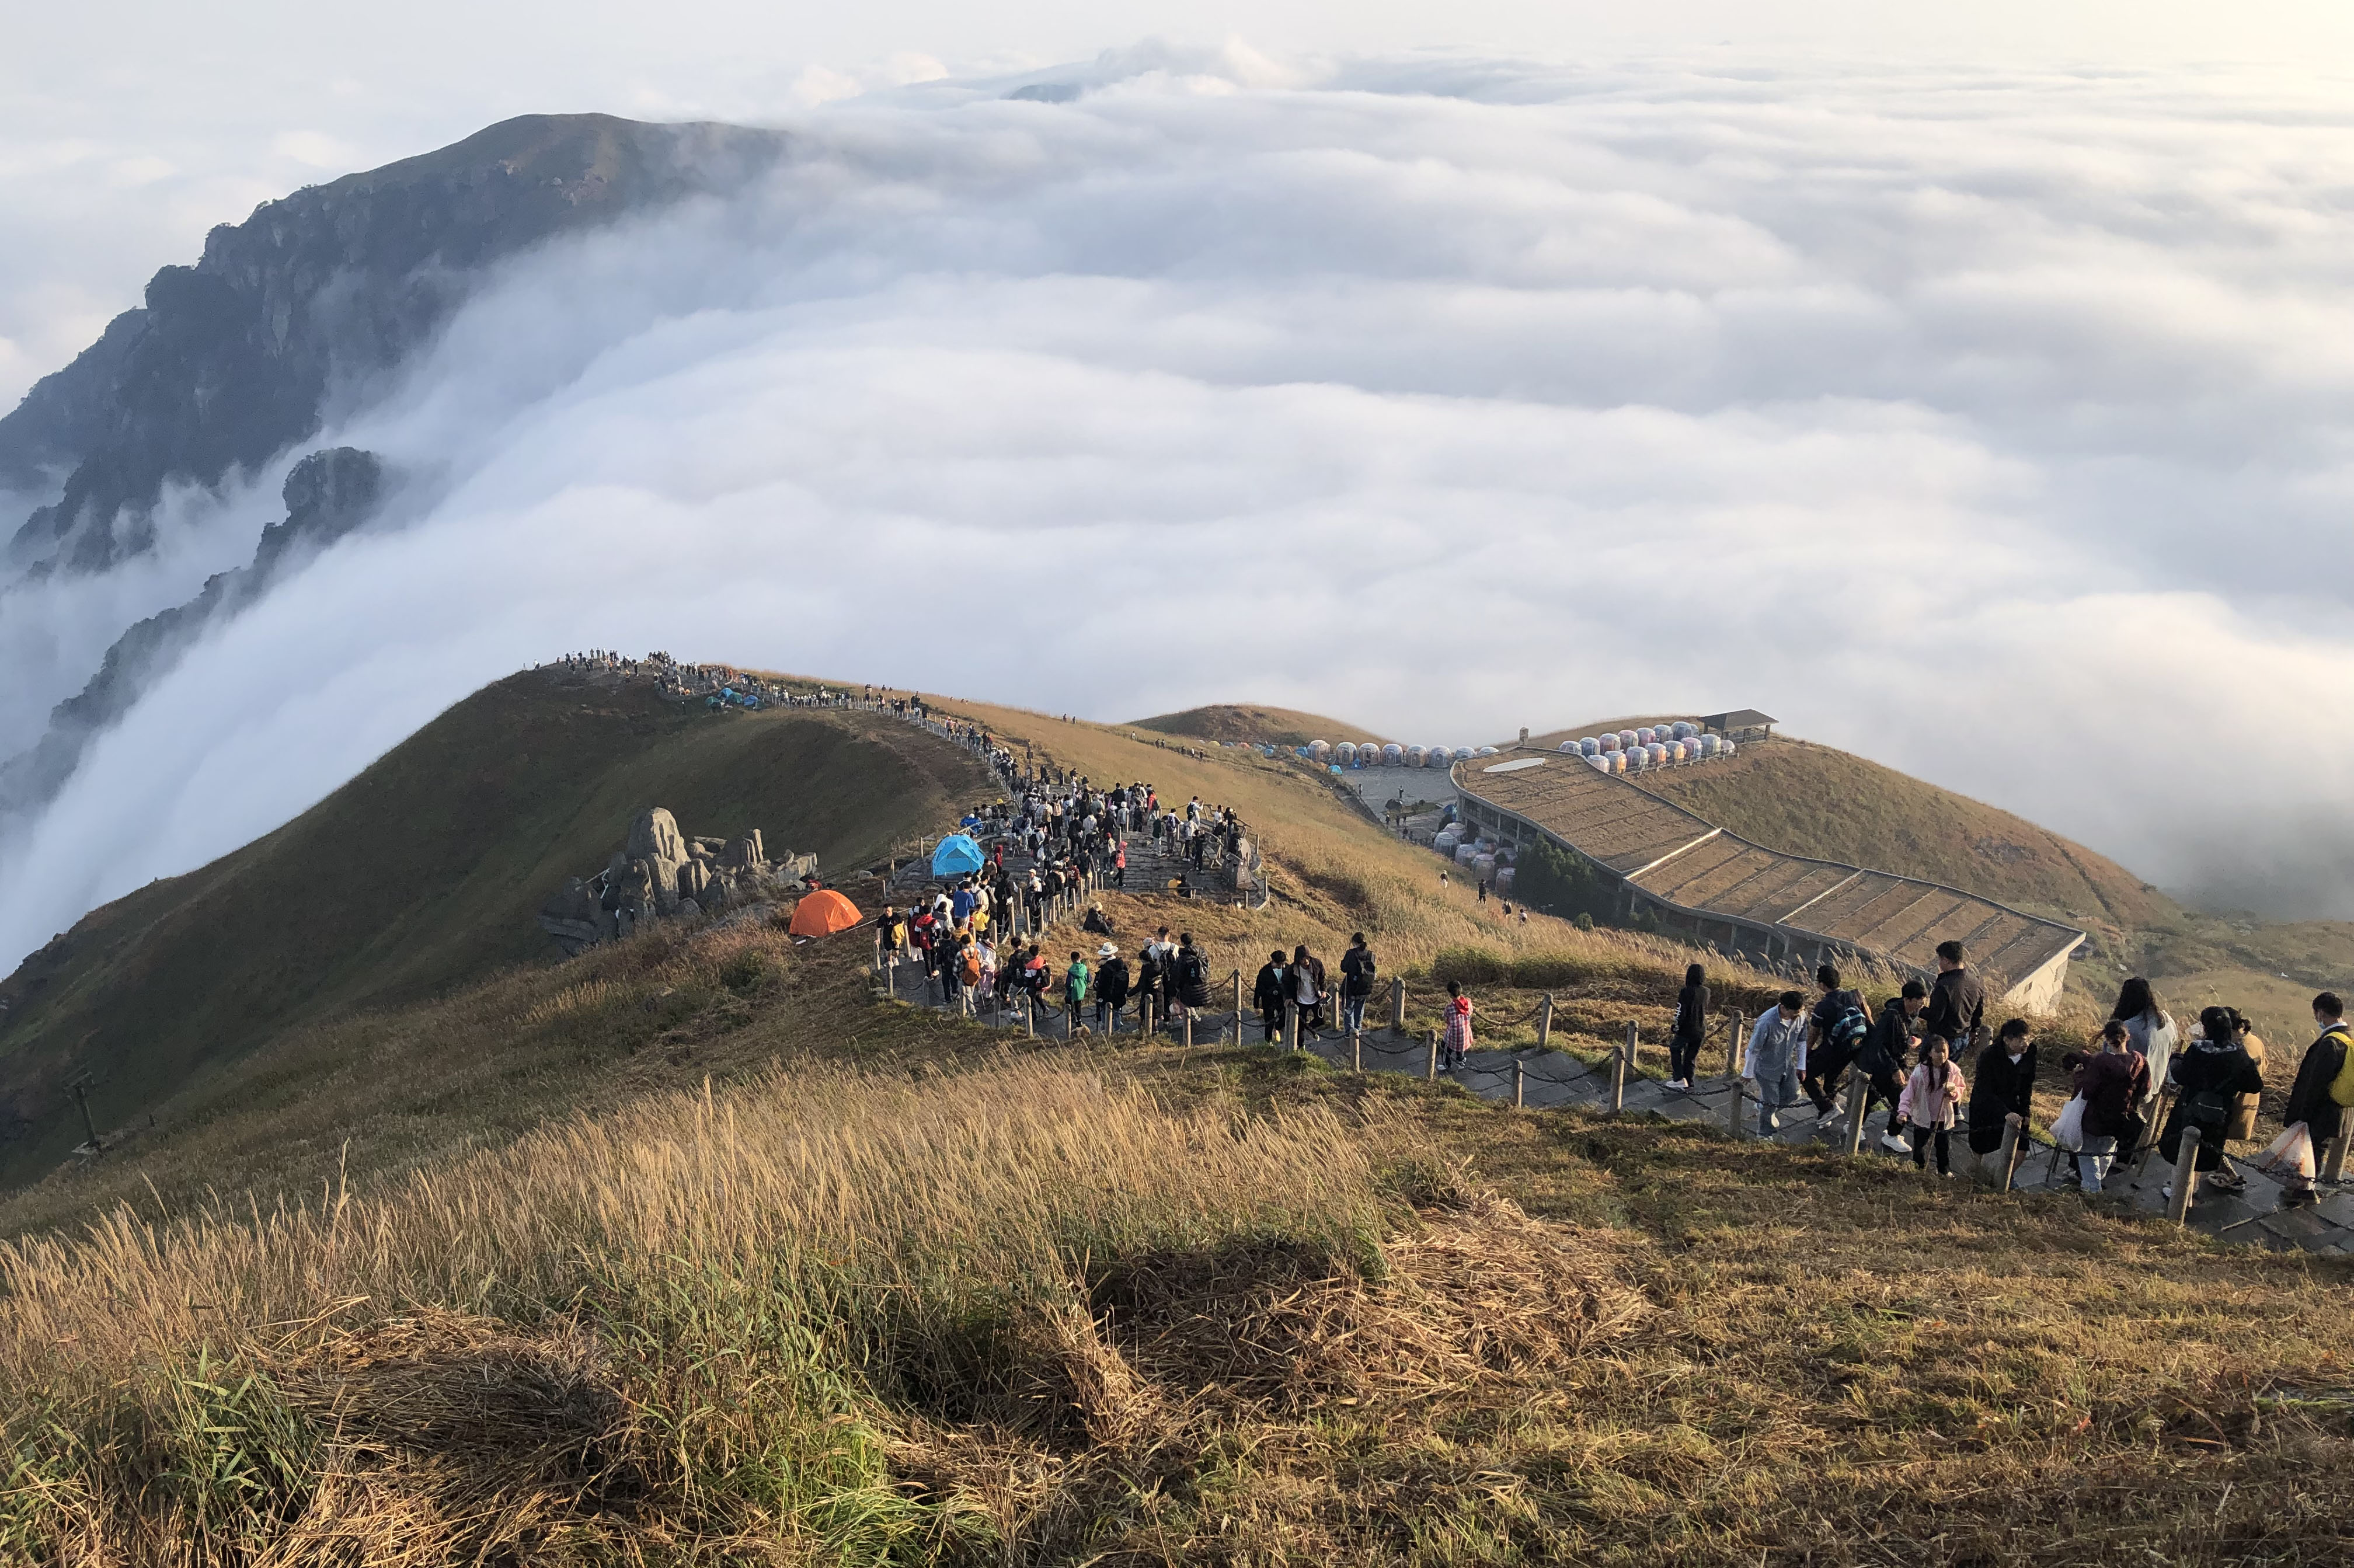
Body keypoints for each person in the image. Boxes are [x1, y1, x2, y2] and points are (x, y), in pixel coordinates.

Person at [2157, 1005, 2265, 1207]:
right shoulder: (2239, 1054)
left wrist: (2176, 1061)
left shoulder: (2198, 1050)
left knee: (2184, 1150)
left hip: (2190, 1108)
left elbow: (2182, 1076)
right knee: (2203, 1154)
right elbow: (2255, 1084)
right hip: (2219, 1113)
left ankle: (2180, 1197)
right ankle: (2189, 1193)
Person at [2276, 992, 2353, 1208]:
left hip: (2321, 1110)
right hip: (2338, 1109)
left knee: (2313, 1150)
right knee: (2317, 1149)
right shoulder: (2348, 1037)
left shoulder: (2330, 1043)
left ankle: (2306, 1191)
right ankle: (2305, 1188)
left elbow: (2315, 1084)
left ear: (2320, 1012)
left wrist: (2303, 1115)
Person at [2072, 1020, 2150, 1194]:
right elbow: (2145, 1088)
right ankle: (2097, 1182)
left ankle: (2092, 1189)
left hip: (2096, 1116)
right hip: (2122, 1116)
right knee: (2107, 1151)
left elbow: (2087, 1090)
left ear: (2106, 1039)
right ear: (2127, 1038)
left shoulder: (2101, 1061)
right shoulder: (2139, 1061)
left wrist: (2078, 1076)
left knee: (2087, 1152)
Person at [1860, 980, 1928, 1153]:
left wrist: (1914, 1040)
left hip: (1893, 1066)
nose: (1923, 1005)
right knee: (1901, 1102)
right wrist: (1894, 1069)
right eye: (1920, 1000)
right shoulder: (1892, 1016)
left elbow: (1905, 1035)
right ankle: (1890, 1135)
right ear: (1908, 999)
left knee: (1871, 1100)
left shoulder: (1908, 1014)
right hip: (1886, 1068)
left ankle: (1856, 1125)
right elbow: (1878, 1045)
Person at [1966, 1019, 2036, 1180]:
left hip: (2015, 1104)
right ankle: (1978, 1179)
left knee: (2021, 1148)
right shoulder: (1990, 1056)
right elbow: (1984, 1089)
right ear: (2007, 1040)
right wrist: (2005, 1113)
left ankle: (2004, 1179)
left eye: (2027, 1039)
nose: (2025, 1045)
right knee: (1982, 1147)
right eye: (2020, 1041)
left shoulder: (2030, 1053)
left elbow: (2028, 1085)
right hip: (1987, 1104)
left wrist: (2025, 1110)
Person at [1803, 964, 1869, 1116]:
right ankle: (1827, 1115)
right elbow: (1868, 1018)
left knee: (1806, 1073)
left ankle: (1828, 1109)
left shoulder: (1823, 1006)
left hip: (1831, 1049)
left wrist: (1806, 1052)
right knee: (1832, 1080)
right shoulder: (1855, 995)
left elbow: (1814, 1033)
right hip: (1851, 1048)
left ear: (1822, 985)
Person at [2112, 977, 2178, 1124]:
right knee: (2146, 1131)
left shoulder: (2128, 1027)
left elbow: (2114, 1059)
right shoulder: (2168, 1022)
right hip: (2157, 1083)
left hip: (2131, 1090)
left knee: (2125, 1130)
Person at [1901, 1034, 1967, 1176]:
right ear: (1930, 1053)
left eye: (1945, 1051)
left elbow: (1960, 1088)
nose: (1942, 1055)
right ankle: (1919, 1168)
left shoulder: (1953, 1070)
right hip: (1924, 1114)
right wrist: (1903, 1111)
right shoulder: (1920, 1071)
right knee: (1920, 1145)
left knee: (1943, 1146)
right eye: (1938, 1051)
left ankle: (1944, 1170)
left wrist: (1953, 1094)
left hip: (1943, 1116)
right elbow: (1909, 1092)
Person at [1745, 991, 1810, 1134]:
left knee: (1794, 1094)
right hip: (1766, 1067)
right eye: (1794, 1013)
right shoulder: (1767, 1022)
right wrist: (1747, 1073)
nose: (1797, 1016)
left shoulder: (1801, 1016)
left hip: (1786, 1064)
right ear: (1784, 1008)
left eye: (1800, 1012)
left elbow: (1801, 1041)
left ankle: (1766, 1110)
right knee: (1771, 1102)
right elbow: (1753, 1049)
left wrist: (1801, 1066)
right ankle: (1764, 1133)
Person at [1924, 940, 1986, 1059]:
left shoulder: (1945, 986)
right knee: (1950, 1073)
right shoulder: (1976, 982)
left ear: (1946, 960)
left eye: (1940, 960)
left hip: (1941, 1041)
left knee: (1928, 1073)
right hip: (1963, 1038)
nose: (1939, 964)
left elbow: (1936, 1016)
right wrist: (1974, 1030)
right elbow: (1978, 1012)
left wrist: (1920, 1010)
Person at [1668, 964, 1709, 1090]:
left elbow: (1681, 1011)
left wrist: (1676, 1026)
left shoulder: (1685, 991)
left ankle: (1679, 1079)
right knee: (1690, 1057)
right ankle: (1689, 1082)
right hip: (1701, 1029)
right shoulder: (1707, 991)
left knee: (1675, 1048)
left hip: (1687, 1028)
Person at [1339, 934, 1376, 1036]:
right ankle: (1358, 1029)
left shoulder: (1351, 953)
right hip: (1365, 986)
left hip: (1351, 985)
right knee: (1360, 1008)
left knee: (1349, 1009)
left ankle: (1349, 1032)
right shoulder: (1371, 954)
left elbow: (1344, 968)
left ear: (1354, 942)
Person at [1291, 944, 1328, 1036]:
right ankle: (1300, 1046)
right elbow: (1286, 983)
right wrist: (1289, 997)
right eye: (1303, 959)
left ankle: (1309, 1028)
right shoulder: (1293, 969)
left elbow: (1322, 978)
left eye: (1307, 958)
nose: (1306, 961)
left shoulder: (1317, 964)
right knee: (1300, 1025)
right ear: (1298, 959)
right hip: (1301, 1000)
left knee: (1322, 1019)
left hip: (1315, 997)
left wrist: (1323, 990)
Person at [1254, 949, 1290, 1043]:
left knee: (1284, 1018)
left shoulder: (1288, 969)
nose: (1281, 967)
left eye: (1282, 964)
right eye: (1278, 965)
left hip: (1282, 999)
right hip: (1268, 1000)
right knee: (1269, 1022)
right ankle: (1268, 1042)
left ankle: (1277, 1028)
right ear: (1273, 961)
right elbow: (1258, 989)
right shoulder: (1264, 972)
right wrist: (1256, 1006)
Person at [1094, 944, 1130, 1032]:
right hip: (1119, 994)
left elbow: (1102, 985)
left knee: (1104, 1012)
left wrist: (1099, 997)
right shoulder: (1122, 964)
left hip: (1108, 995)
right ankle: (1117, 1030)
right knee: (1117, 1013)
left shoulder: (1106, 968)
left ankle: (1106, 1030)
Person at [1442, 980, 1475, 1070]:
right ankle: (1460, 1061)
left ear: (1450, 994)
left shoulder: (1449, 1007)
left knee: (1445, 1045)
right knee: (1461, 1046)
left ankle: (1446, 1064)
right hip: (1466, 1033)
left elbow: (1446, 1019)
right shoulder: (1468, 1002)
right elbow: (1471, 1012)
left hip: (1454, 1034)